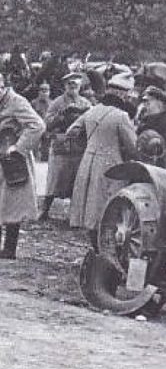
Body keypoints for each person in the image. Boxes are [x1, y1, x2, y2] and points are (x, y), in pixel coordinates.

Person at [68, 72, 139, 249]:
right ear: (121, 94)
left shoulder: (92, 111)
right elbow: (132, 147)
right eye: (126, 94)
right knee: (109, 207)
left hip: (88, 162)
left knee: (91, 208)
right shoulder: (121, 116)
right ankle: (108, 250)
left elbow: (71, 132)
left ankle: (97, 248)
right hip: (111, 165)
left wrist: (87, 145)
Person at [0, 71, 45, 259]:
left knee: (13, 202)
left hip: (12, 160)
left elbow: (37, 125)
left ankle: (9, 249)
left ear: (3, 86)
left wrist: (19, 147)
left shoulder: (17, 102)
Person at [39, 74, 92, 221]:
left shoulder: (86, 103)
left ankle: (73, 215)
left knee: (76, 181)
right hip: (61, 146)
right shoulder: (57, 102)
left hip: (78, 147)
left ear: (80, 86)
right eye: (69, 85)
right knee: (54, 180)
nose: (72, 87)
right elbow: (46, 123)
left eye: (75, 85)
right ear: (64, 86)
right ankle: (44, 210)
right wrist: (62, 115)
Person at [136, 85, 166, 168]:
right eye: (144, 102)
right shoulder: (145, 122)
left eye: (148, 102)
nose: (145, 105)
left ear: (159, 103)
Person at [30, 82, 52, 160]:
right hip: (37, 128)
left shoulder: (52, 103)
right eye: (42, 91)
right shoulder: (34, 103)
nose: (44, 93)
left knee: (47, 148)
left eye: (46, 91)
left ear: (49, 92)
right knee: (36, 148)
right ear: (39, 92)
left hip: (48, 129)